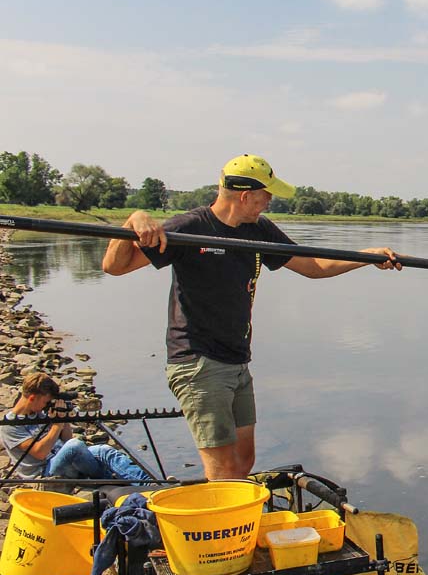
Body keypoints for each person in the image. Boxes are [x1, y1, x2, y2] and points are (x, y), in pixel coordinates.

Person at [102, 154, 400, 480]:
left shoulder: (259, 230)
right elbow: (114, 267)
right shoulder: (189, 228)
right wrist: (134, 221)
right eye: (266, 195)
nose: (269, 202)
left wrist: (367, 257)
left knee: (243, 461)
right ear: (245, 196)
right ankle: (226, 528)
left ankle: (231, 519)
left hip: (236, 360)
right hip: (197, 362)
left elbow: (314, 267)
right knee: (224, 471)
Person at [2, 372, 153, 483]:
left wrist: (64, 418)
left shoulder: (39, 413)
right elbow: (40, 453)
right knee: (75, 445)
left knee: (104, 450)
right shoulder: (10, 425)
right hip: (44, 472)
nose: (46, 406)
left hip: (63, 459)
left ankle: (150, 485)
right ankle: (107, 479)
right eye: (45, 402)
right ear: (32, 398)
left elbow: (67, 439)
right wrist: (56, 425)